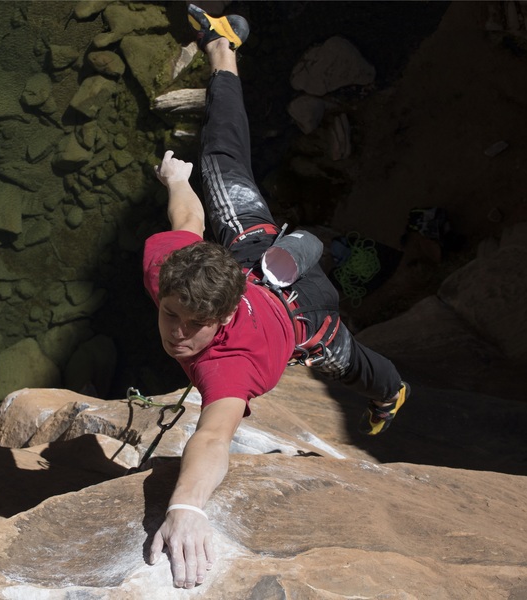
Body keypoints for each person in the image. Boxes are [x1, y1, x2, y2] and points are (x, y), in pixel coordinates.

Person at [144, 4, 409, 588]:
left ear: (224, 315)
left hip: (306, 322)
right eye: (171, 314)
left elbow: (213, 436)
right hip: (256, 260)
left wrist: (186, 508)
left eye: (195, 325)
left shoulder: (229, 370)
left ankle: (390, 397)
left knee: (363, 368)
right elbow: (188, 223)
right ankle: (222, 45)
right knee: (220, 159)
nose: (177, 333)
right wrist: (179, 181)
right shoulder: (173, 269)